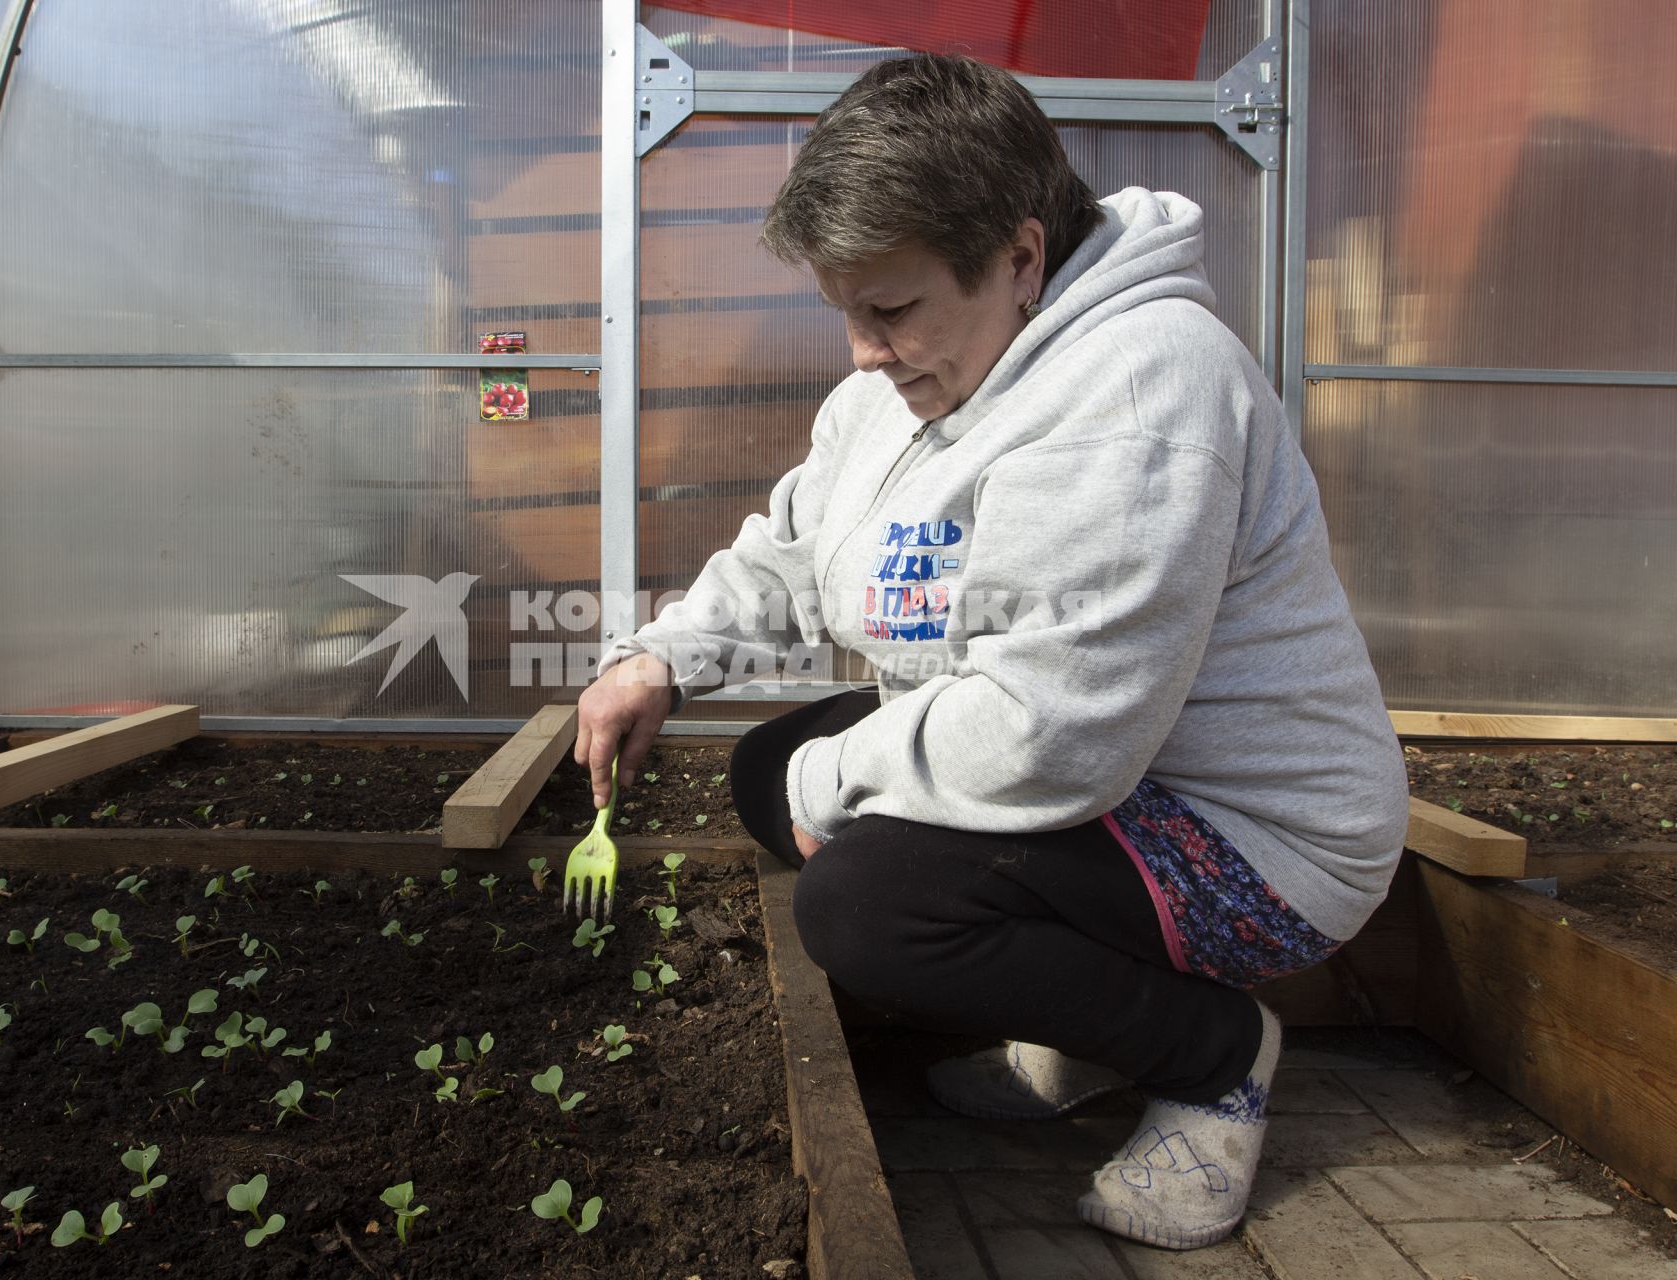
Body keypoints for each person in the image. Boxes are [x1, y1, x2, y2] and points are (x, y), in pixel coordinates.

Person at [573, 52, 1408, 1251]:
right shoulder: (926, 367)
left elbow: (1053, 733)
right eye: (847, 312)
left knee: (865, 904)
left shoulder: (1140, 391)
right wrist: (658, 656)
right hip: (1112, 771)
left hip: (1248, 838)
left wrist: (840, 789)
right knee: (772, 770)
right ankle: (1085, 1025)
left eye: (892, 310)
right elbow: (804, 544)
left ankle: (1215, 1055)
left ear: (1021, 257)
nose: (864, 350)